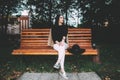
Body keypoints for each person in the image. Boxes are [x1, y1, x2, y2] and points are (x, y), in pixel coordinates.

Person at [52, 14, 68, 79]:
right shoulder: (54, 27)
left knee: (62, 47)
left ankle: (57, 63)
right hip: (56, 44)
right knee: (62, 50)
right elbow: (54, 37)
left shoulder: (65, 27)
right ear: (58, 18)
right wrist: (57, 42)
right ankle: (62, 71)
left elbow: (64, 35)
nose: (62, 19)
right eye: (61, 18)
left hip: (64, 43)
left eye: (63, 18)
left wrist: (62, 41)